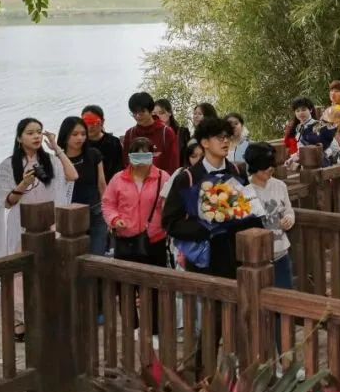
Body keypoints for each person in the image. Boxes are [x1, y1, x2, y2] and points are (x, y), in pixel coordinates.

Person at [0, 118, 80, 339]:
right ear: (19, 137)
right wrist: (23, 184)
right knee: (19, 275)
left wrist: (57, 148)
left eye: (39, 132)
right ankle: (21, 321)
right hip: (21, 226)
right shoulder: (8, 165)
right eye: (30, 133)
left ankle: (47, 317)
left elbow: (72, 176)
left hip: (50, 224)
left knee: (49, 271)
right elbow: (6, 202)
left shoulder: (50, 161)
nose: (36, 136)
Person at [161, 116, 261, 279]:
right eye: (219, 137)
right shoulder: (187, 178)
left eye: (227, 137)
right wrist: (207, 225)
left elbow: (252, 213)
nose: (225, 141)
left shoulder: (237, 171)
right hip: (203, 259)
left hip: (237, 256)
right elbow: (169, 222)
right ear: (205, 142)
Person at [102, 136, 170, 334]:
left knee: (155, 288)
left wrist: (163, 222)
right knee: (126, 288)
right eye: (136, 155)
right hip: (126, 240)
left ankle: (155, 330)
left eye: (145, 155)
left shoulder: (163, 177)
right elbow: (108, 203)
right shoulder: (118, 178)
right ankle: (131, 328)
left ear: (152, 155)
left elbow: (168, 205)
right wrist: (114, 219)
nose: (141, 160)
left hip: (154, 240)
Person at [244, 142, 295, 289]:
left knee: (285, 295)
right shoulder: (244, 191)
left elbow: (289, 211)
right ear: (254, 166)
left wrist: (289, 219)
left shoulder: (280, 186)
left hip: (281, 253)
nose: (270, 168)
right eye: (265, 165)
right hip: (256, 258)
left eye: (272, 164)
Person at [58, 116, 108, 257]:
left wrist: (107, 212)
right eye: (74, 134)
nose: (80, 138)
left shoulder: (93, 154)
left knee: (97, 256)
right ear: (65, 136)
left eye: (83, 134)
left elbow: (102, 185)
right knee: (72, 257)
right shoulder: (58, 160)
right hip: (70, 216)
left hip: (96, 212)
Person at [122, 92, 180, 175]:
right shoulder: (130, 134)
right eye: (134, 112)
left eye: (142, 112)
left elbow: (173, 166)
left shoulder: (166, 133)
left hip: (162, 181)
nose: (137, 116)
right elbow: (126, 165)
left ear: (151, 110)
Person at [82, 105, 123, 184]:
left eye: (94, 122)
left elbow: (119, 168)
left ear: (102, 121)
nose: (90, 127)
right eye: (86, 123)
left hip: (112, 185)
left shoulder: (114, 142)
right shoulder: (80, 143)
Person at [283, 96, 321, 161]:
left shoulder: (318, 125)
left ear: (310, 110)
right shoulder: (298, 127)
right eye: (297, 111)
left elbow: (332, 147)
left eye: (304, 110)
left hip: (316, 161)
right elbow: (300, 149)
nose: (300, 113)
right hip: (304, 160)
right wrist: (292, 159)